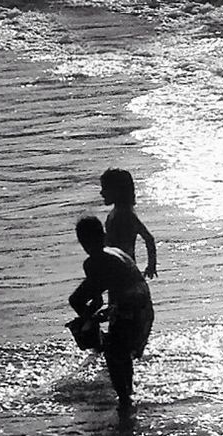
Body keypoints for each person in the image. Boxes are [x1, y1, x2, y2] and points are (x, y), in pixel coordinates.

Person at [68, 216, 154, 410]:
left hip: (130, 311)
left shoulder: (94, 262)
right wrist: (95, 315)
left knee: (114, 354)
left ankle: (125, 404)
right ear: (103, 235)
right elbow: (99, 298)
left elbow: (84, 299)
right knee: (120, 354)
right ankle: (128, 395)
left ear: (82, 242)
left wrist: (87, 320)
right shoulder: (115, 252)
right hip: (143, 309)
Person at [99, 168, 157, 279]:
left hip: (124, 274)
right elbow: (149, 239)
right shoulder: (119, 213)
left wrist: (151, 266)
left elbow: (149, 239)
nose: (101, 193)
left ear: (117, 191)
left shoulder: (125, 214)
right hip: (125, 272)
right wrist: (151, 265)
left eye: (105, 188)